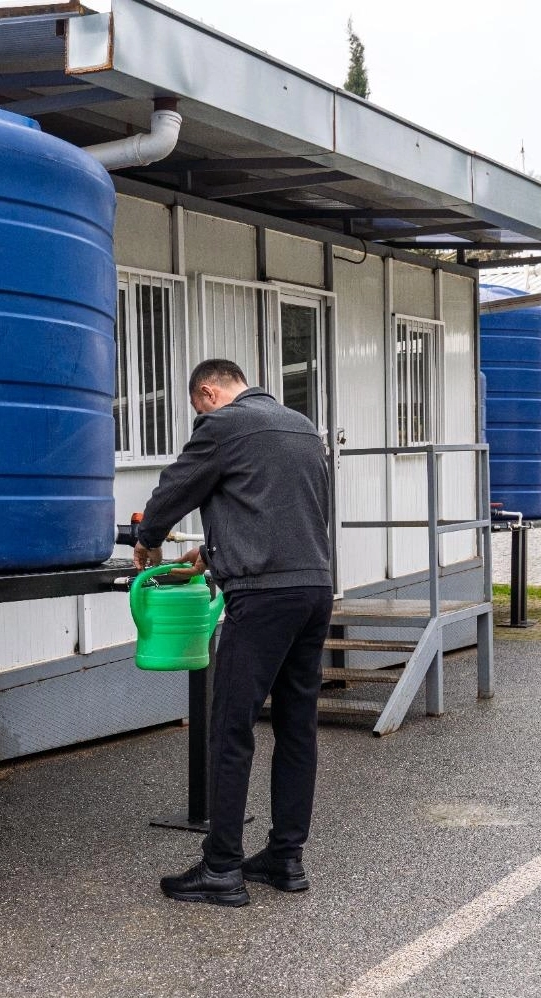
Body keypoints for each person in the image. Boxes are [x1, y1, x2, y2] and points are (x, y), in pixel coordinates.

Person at [132, 358, 333, 907]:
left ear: (208, 392)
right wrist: (214, 550)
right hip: (314, 590)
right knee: (297, 727)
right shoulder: (301, 426)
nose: (199, 417)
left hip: (263, 598)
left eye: (197, 407)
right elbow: (279, 510)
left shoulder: (224, 424)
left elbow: (174, 489)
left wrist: (147, 539)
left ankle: (221, 868)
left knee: (230, 728)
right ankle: (285, 859)